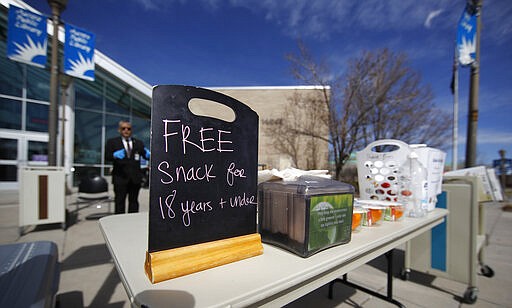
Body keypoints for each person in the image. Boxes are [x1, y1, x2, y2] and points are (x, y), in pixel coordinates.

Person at [105, 120, 150, 214]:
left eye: (128, 129)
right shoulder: (112, 142)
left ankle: (132, 223)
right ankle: (119, 223)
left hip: (135, 179)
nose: (126, 130)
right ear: (119, 130)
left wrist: (149, 154)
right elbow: (107, 156)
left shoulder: (138, 143)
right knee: (119, 202)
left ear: (131, 130)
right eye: (123, 128)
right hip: (120, 178)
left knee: (134, 202)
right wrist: (114, 155)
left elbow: (145, 155)